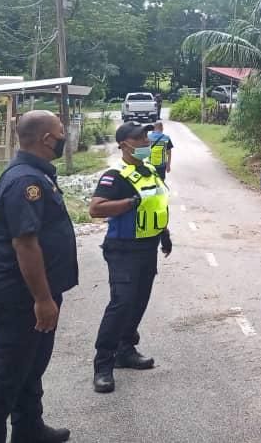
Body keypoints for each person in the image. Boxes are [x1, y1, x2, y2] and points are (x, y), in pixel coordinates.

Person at [0, 111, 77, 443]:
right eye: (60, 133)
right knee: (6, 374)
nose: (63, 137)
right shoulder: (26, 182)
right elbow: (25, 244)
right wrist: (43, 299)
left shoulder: (36, 173)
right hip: (21, 295)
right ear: (47, 139)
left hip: (31, 292)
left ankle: (29, 428)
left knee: (31, 366)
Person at [88, 122, 172, 394]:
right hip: (123, 249)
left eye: (146, 137)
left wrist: (164, 234)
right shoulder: (115, 176)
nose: (146, 142)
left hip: (147, 246)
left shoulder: (149, 171)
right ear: (124, 144)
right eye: (139, 138)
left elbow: (156, 206)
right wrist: (128, 203)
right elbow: (95, 209)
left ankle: (125, 350)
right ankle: (103, 364)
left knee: (138, 302)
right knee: (121, 303)